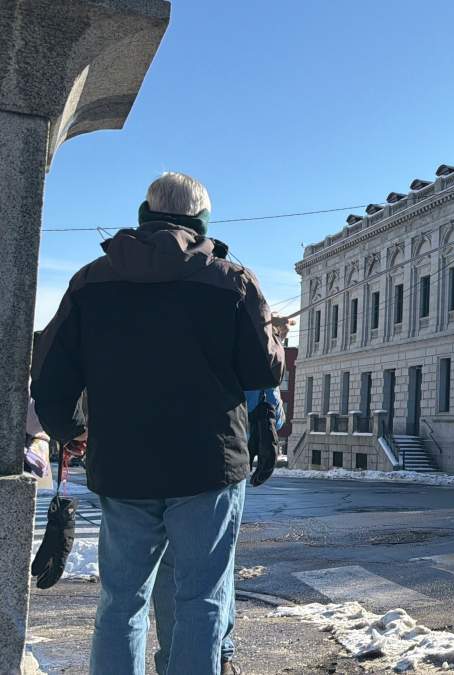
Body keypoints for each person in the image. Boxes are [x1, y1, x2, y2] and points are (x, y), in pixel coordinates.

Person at [32, 172, 284, 675]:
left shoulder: (90, 281)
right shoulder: (232, 280)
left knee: (120, 600)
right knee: (201, 600)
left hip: (123, 467)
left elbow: (50, 371)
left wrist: (72, 429)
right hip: (209, 467)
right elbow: (265, 369)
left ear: (145, 216)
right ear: (201, 222)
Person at [151, 387, 285, 675]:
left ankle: (177, 659)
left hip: (153, 446)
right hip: (220, 452)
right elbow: (265, 391)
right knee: (212, 569)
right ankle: (216, 657)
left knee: (164, 571)